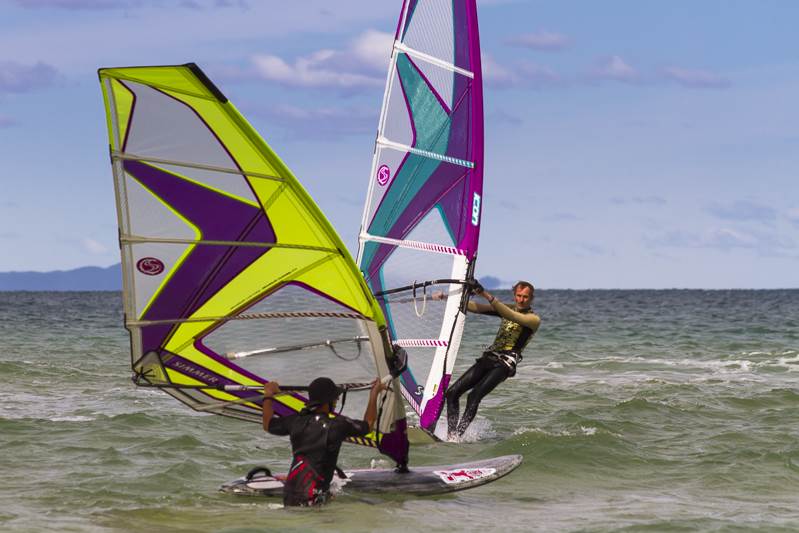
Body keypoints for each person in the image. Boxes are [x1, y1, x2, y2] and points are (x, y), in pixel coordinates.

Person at [262, 376, 387, 507]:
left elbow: (267, 424)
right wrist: (374, 394)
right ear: (328, 401)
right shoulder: (338, 425)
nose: (337, 399)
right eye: (335, 397)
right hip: (313, 497)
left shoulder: (295, 421)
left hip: (289, 494)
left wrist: (269, 395)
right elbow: (368, 424)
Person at [444, 280, 540, 439]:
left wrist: (484, 294)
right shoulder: (507, 308)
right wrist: (446, 298)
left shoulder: (533, 319)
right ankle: (451, 434)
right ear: (514, 295)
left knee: (473, 396)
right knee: (452, 393)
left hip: (504, 365)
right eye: (518, 295)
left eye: (525, 297)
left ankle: (458, 436)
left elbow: (512, 315)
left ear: (531, 299)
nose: (521, 300)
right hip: (488, 358)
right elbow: (478, 308)